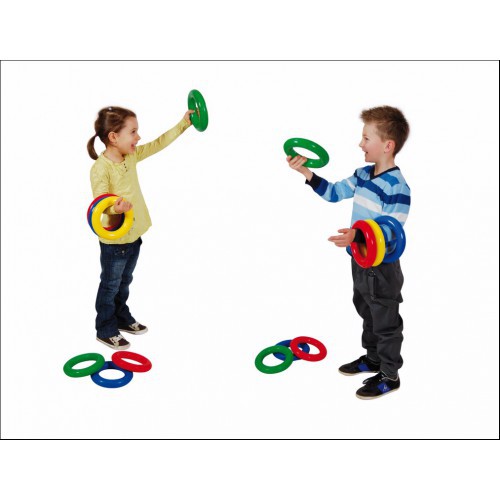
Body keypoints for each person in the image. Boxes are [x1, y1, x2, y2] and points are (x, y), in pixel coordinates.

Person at [287, 105, 411, 399]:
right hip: (359, 260)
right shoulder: (363, 175)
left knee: (386, 321)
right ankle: (373, 359)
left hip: (382, 267)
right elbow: (334, 193)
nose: (360, 144)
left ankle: (390, 375)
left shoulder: (397, 186)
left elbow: (391, 231)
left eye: (366, 138)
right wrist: (306, 172)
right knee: (366, 311)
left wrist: (358, 234)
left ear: (387, 145)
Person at [87, 106, 193, 350]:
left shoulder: (131, 156)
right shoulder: (101, 168)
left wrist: (184, 124)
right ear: (114, 137)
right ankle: (105, 328)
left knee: (125, 281)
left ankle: (121, 317)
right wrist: (115, 208)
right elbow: (100, 204)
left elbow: (158, 144)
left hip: (134, 235)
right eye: (133, 132)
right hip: (115, 242)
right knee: (110, 285)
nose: (139, 137)